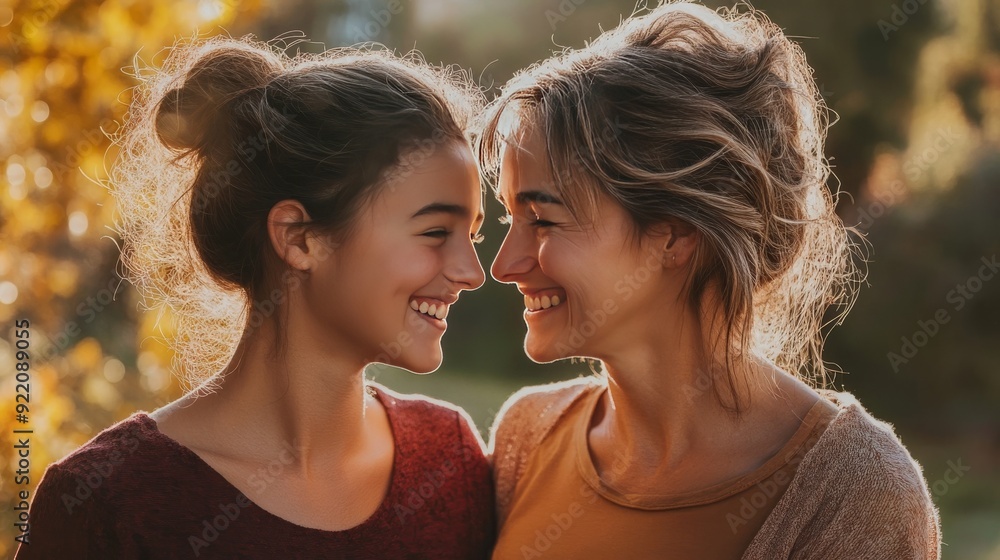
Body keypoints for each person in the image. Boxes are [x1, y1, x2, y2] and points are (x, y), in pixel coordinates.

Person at [478, 2, 941, 558]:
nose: (503, 266)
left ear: (674, 236)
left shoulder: (856, 495)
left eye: (544, 220)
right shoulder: (527, 436)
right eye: (510, 218)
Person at [16, 36, 494, 559]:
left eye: (472, 235)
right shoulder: (105, 501)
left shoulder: (450, 458)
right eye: (434, 233)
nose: (472, 273)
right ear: (298, 237)